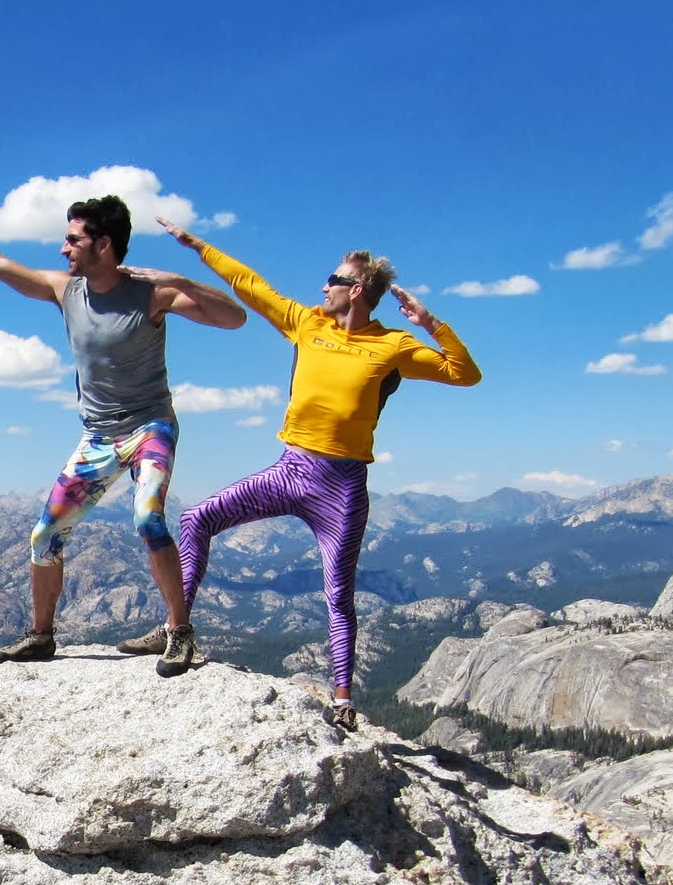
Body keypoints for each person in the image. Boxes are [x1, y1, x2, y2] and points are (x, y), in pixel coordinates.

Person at [0, 197, 245, 677]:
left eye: (74, 239)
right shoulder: (66, 291)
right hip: (98, 436)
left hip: (149, 427)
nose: (63, 248)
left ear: (104, 244)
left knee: (148, 518)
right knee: (44, 535)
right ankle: (42, 636)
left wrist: (180, 281)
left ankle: (178, 632)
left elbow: (234, 318)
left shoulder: (151, 295)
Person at [157, 218, 481, 729]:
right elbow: (252, 286)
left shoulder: (392, 346)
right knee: (196, 519)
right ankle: (179, 629)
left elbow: (466, 374)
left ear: (355, 291)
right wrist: (197, 245)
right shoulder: (308, 323)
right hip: (291, 470)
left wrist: (430, 323)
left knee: (338, 593)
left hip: (342, 487)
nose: (322, 287)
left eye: (332, 279)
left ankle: (343, 699)